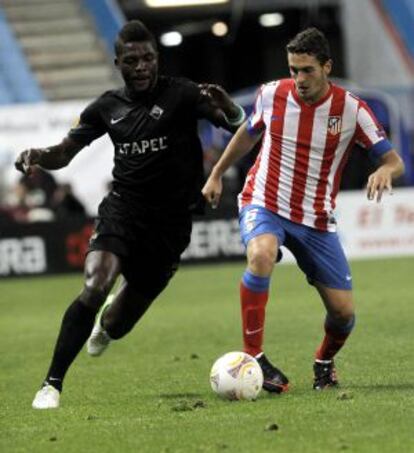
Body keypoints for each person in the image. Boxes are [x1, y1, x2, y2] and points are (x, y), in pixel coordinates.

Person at [15, 20, 246, 409]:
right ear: (118, 61)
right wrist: (39, 155)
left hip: (170, 227)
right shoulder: (107, 107)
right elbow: (64, 152)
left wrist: (233, 110)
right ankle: (51, 384)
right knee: (94, 286)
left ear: (157, 59)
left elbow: (238, 127)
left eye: (149, 58)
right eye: (133, 60)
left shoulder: (184, 94)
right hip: (122, 211)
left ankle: (104, 327)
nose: (142, 67)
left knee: (117, 324)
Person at [202, 27, 405, 393]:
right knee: (261, 254)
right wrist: (216, 174)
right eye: (294, 69)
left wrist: (383, 170)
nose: (299, 79)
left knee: (343, 315)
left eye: (307, 70)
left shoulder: (352, 110)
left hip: (316, 219)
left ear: (327, 66)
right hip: (264, 201)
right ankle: (255, 358)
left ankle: (324, 363)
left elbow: (394, 161)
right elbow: (248, 133)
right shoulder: (271, 94)